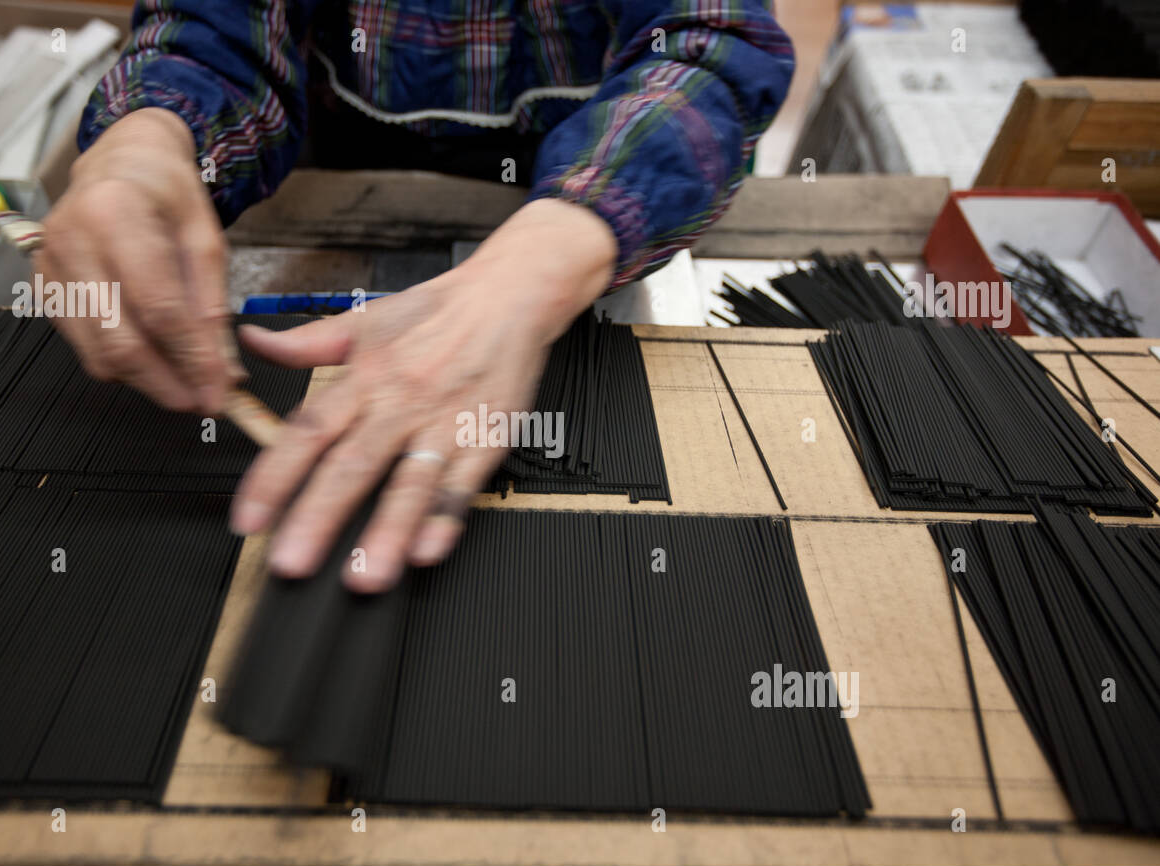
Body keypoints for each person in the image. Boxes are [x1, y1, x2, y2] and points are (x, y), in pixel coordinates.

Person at [39, 1, 794, 592]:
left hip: (596, 185)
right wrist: (147, 142)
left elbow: (710, 46)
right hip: (354, 163)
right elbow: (209, 37)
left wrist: (541, 265)